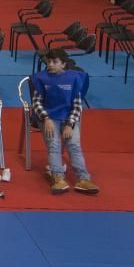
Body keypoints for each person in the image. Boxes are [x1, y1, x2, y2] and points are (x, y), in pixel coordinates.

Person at [33, 50, 99, 195]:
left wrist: (69, 124)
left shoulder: (74, 78)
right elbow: (37, 103)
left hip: (69, 118)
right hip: (49, 118)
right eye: (49, 62)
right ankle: (58, 177)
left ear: (63, 64)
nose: (51, 65)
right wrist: (46, 119)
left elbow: (77, 106)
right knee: (54, 145)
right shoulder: (41, 79)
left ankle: (83, 179)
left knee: (74, 145)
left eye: (55, 62)